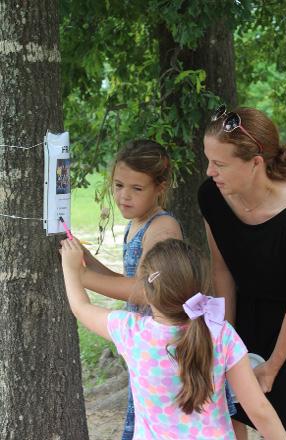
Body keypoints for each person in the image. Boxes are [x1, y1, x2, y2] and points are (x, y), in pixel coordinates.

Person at [198, 105, 286, 439]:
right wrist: (226, 343)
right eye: (208, 160)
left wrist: (272, 367)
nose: (209, 171)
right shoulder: (211, 196)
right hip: (250, 309)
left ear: (255, 163)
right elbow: (223, 272)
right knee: (233, 407)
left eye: (219, 163)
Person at [61, 237, 286, 439]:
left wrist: (71, 269)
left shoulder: (131, 331)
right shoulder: (220, 332)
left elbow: (81, 308)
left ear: (147, 291)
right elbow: (258, 408)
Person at [78, 139, 183, 439]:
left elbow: (145, 291)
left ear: (159, 187)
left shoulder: (161, 228)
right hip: (146, 349)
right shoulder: (138, 222)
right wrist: (87, 261)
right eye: (119, 185)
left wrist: (79, 277)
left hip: (161, 349)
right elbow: (126, 279)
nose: (124, 196)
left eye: (137, 189)